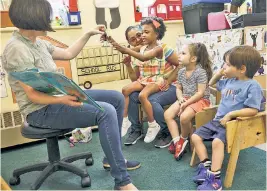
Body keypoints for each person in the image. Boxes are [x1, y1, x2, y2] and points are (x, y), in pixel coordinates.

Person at [2, 0, 139, 190]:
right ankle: (122, 181)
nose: (49, 21)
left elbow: (68, 53)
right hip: (40, 110)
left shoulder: (38, 43)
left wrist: (88, 34)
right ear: (33, 18)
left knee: (115, 98)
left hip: (58, 98)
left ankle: (112, 158)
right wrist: (63, 99)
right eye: (45, 17)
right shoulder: (17, 48)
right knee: (105, 111)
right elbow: (32, 95)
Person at [191, 46, 263, 191]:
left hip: (234, 123)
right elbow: (211, 83)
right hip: (217, 121)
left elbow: (253, 109)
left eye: (228, 64)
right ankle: (205, 166)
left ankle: (215, 179)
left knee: (217, 142)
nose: (224, 67)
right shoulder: (229, 81)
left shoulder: (252, 85)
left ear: (242, 69)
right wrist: (218, 73)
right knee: (195, 136)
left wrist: (231, 114)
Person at [110, 17, 172, 143]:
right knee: (129, 92)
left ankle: (162, 129)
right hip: (145, 81)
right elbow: (135, 78)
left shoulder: (161, 48)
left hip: (161, 82)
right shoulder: (140, 50)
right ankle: (130, 125)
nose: (140, 38)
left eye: (142, 34)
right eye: (133, 39)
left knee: (146, 97)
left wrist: (169, 80)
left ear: (156, 34)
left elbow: (180, 65)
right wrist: (111, 41)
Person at [164, 43, 213, 161]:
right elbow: (178, 88)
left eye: (183, 53)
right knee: (168, 114)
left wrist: (185, 103)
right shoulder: (181, 71)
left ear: (193, 59)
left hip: (201, 100)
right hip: (186, 98)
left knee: (184, 117)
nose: (179, 55)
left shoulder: (200, 72)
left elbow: (200, 93)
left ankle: (182, 139)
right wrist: (180, 99)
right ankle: (177, 142)